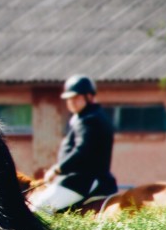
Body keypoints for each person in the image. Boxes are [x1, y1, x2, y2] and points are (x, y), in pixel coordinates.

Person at [30, 75, 117, 213]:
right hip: (80, 179)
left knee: (38, 210)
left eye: (76, 98)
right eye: (69, 99)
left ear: (89, 96)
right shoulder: (87, 116)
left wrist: (57, 169)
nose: (72, 102)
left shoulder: (89, 119)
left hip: (82, 181)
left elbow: (82, 151)